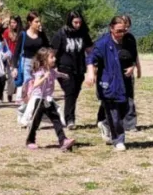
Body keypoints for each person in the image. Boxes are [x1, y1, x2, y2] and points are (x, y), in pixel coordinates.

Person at [85, 16, 131, 151]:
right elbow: (90, 58)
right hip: (108, 82)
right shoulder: (103, 43)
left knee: (125, 110)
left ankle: (105, 123)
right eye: (119, 31)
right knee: (114, 112)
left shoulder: (127, 41)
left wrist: (133, 66)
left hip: (123, 81)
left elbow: (132, 56)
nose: (121, 34)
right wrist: (90, 73)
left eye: (124, 30)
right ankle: (118, 140)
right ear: (111, 28)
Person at [25, 48, 76, 151]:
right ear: (44, 60)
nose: (54, 59)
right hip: (39, 100)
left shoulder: (52, 71)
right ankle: (30, 140)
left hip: (48, 100)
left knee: (56, 119)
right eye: (51, 57)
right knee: (35, 121)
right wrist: (44, 77)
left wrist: (65, 75)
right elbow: (35, 84)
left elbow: (57, 74)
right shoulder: (40, 72)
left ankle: (63, 140)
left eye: (54, 57)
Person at [51, 11, 93, 130]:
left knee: (74, 93)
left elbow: (90, 50)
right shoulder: (61, 34)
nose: (78, 25)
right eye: (75, 22)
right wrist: (50, 67)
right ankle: (70, 119)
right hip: (64, 68)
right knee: (70, 92)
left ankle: (65, 112)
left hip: (79, 68)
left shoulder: (83, 33)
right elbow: (53, 52)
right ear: (70, 21)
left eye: (80, 22)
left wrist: (93, 64)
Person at [13, 11, 49, 102]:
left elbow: (47, 47)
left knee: (38, 85)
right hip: (26, 63)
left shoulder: (41, 34)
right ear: (30, 22)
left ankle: (33, 104)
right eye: (36, 22)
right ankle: (26, 103)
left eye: (39, 21)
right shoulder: (23, 34)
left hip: (39, 64)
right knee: (28, 84)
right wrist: (14, 67)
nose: (39, 24)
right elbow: (16, 52)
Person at [119, 15, 142, 131]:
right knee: (112, 97)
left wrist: (137, 67)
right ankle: (107, 121)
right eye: (124, 26)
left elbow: (135, 54)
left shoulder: (131, 38)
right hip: (115, 71)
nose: (126, 29)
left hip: (128, 70)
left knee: (129, 97)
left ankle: (130, 124)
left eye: (128, 26)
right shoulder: (113, 37)